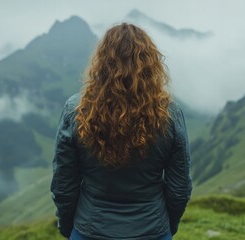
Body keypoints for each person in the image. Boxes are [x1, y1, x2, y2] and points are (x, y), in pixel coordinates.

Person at [50, 23, 192, 240]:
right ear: (150, 63)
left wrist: (69, 228)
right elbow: (179, 187)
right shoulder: (169, 113)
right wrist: (166, 226)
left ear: (102, 62)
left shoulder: (76, 110)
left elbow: (64, 184)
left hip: (90, 229)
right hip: (153, 230)